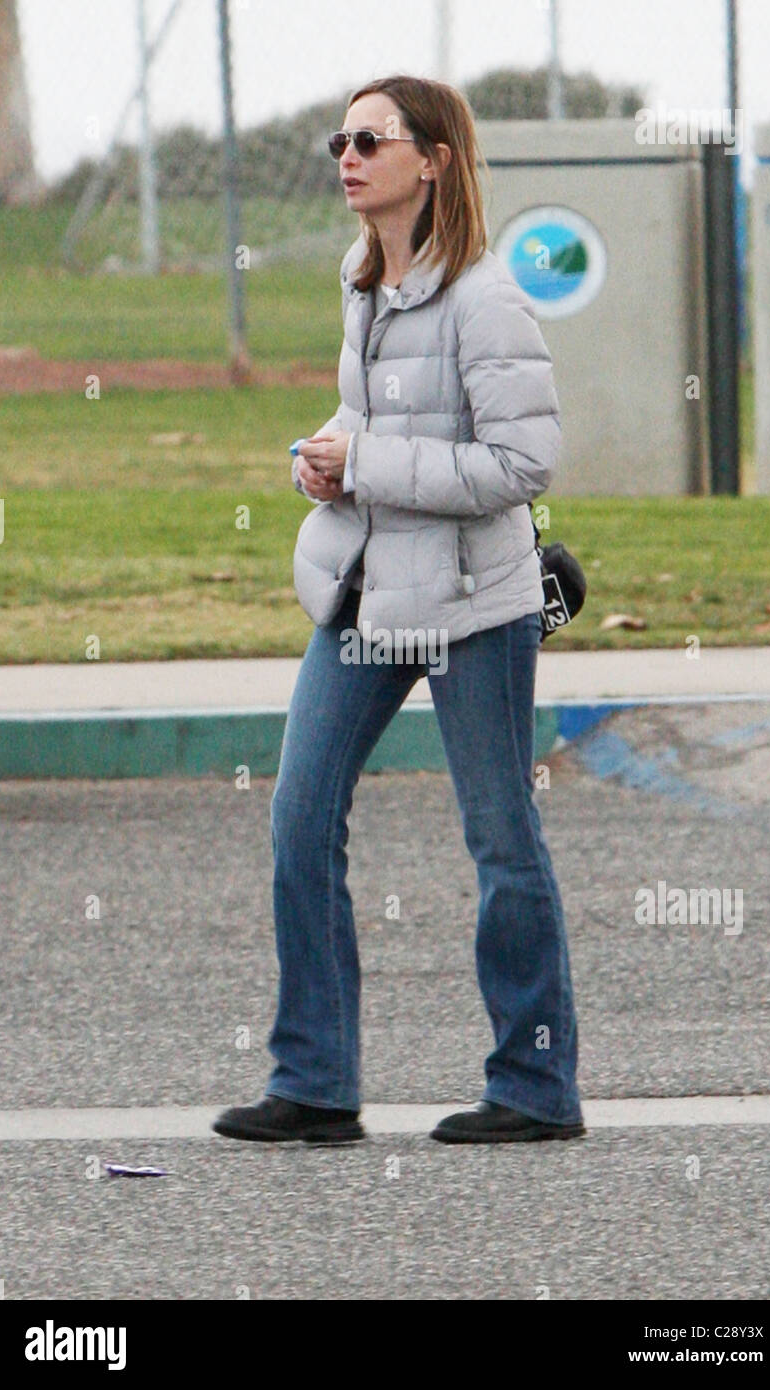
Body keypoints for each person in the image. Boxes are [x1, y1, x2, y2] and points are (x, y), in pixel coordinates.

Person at [213, 73, 585, 1147]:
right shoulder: (363, 279)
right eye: (340, 138)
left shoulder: (485, 299)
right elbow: (371, 412)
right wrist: (324, 456)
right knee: (299, 820)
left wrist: (368, 459)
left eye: (371, 139)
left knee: (500, 839)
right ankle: (315, 1083)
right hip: (366, 591)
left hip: (475, 605)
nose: (348, 155)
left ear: (434, 160)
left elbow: (520, 464)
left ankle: (535, 1087)